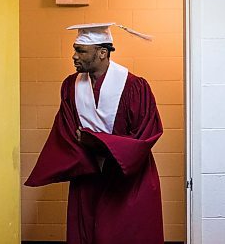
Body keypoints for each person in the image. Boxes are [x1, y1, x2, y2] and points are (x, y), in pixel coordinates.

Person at [25, 23, 164, 244]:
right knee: (88, 234)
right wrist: (90, 148)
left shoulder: (135, 86)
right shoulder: (71, 85)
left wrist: (98, 142)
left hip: (127, 176)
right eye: (75, 49)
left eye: (81, 51)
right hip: (89, 173)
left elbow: (146, 133)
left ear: (102, 53)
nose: (74, 56)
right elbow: (68, 130)